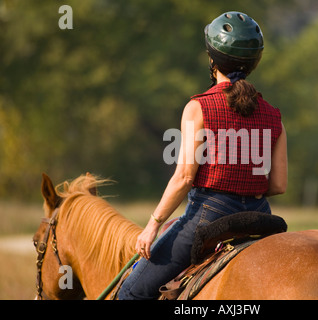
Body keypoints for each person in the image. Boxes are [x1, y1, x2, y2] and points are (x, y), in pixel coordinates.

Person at [118, 11, 288, 300]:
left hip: (209, 216)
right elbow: (278, 186)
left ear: (213, 60)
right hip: (261, 216)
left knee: (130, 294)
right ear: (253, 63)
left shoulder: (199, 107)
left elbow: (185, 178)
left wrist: (153, 224)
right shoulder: (274, 116)